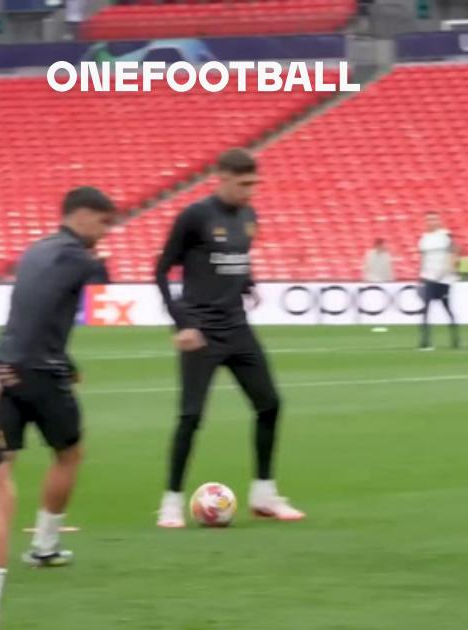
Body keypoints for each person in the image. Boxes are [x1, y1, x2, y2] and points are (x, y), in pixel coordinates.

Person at [154, 148, 304, 528]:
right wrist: (181, 323)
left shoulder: (250, 216)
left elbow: (237, 258)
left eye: (254, 183)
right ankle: (171, 502)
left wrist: (248, 283)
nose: (250, 191)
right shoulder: (194, 216)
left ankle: (265, 493)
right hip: (201, 332)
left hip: (237, 327)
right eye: (243, 184)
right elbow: (160, 271)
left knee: (270, 405)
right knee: (191, 417)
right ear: (221, 177)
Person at [0, 187, 116, 619]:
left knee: (1, 471)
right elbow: (49, 306)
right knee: (69, 453)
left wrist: (9, 361)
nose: (106, 233)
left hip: (5, 368)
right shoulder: (76, 258)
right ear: (81, 216)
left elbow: (26, 310)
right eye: (103, 223)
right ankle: (44, 546)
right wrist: (52, 363)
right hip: (40, 375)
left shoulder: (35, 250)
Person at [417, 213, 460, 350]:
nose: (431, 222)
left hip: (443, 279)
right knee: (425, 309)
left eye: (434, 219)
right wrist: (421, 275)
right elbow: (423, 259)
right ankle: (425, 341)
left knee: (447, 308)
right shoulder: (424, 239)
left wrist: (450, 269)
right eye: (428, 219)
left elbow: (454, 253)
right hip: (428, 277)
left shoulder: (445, 236)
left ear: (439, 221)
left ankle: (456, 340)